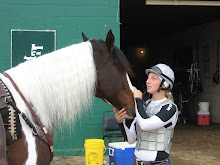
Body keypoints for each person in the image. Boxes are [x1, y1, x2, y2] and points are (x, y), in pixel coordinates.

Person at [114, 63, 178, 165]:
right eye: (148, 78)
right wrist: (120, 122)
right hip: (137, 161)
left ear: (165, 84)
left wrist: (138, 99)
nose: (147, 81)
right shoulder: (145, 106)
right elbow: (131, 139)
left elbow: (145, 125)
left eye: (153, 78)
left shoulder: (170, 108)